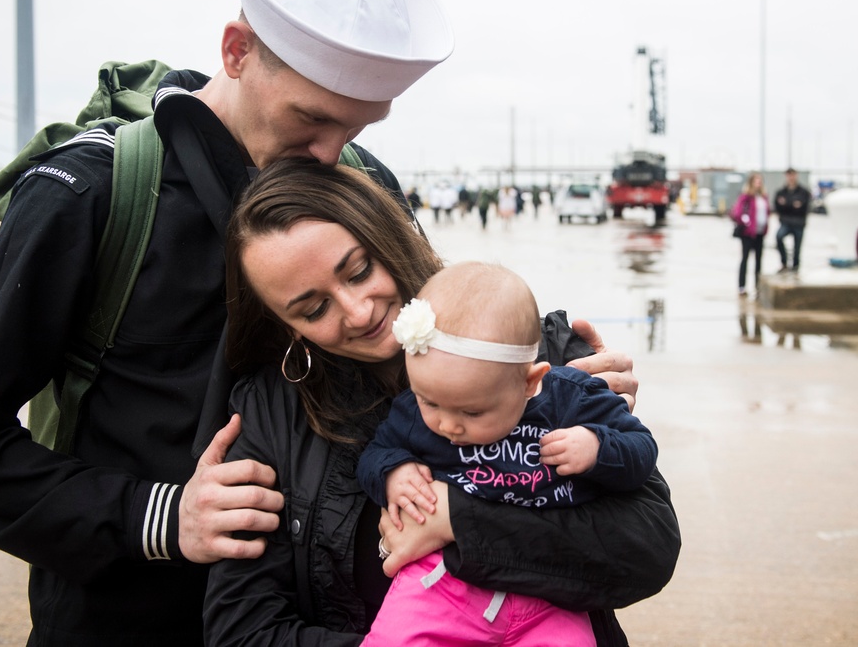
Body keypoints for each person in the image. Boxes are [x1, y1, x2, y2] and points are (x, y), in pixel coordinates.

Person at [0, 0, 471, 645]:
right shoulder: (87, 195)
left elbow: (431, 342)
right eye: (311, 119)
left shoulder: (362, 182)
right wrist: (162, 516)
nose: (330, 155)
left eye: (357, 129)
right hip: (126, 619)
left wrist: (543, 375)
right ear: (236, 50)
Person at [204, 158, 679, 646]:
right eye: (314, 308)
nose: (359, 310)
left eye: (360, 270)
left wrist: (461, 521)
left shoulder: (537, 353)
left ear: (388, 232)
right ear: (290, 327)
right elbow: (240, 629)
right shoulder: (271, 414)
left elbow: (648, 548)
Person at [357, 261, 658, 646]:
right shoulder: (414, 414)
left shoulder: (571, 400)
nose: (448, 425)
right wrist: (391, 472)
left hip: (551, 593)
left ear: (529, 381)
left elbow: (642, 451)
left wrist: (598, 446)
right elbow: (373, 455)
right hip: (443, 583)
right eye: (429, 402)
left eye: (472, 411)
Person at [730, 172, 770, 296]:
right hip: (748, 233)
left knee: (759, 260)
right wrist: (746, 222)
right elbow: (736, 213)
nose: (758, 183)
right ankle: (742, 286)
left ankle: (757, 286)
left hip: (760, 233)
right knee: (745, 259)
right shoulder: (745, 197)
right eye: (756, 180)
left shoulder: (763, 197)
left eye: (760, 181)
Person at [773, 167, 812, 273]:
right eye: (789, 175)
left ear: (796, 175)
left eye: (793, 175)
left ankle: (795, 266)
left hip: (799, 223)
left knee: (797, 247)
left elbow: (804, 207)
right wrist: (793, 205)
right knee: (779, 237)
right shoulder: (781, 192)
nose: (791, 177)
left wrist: (787, 204)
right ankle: (784, 262)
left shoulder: (803, 192)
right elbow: (777, 207)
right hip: (786, 222)